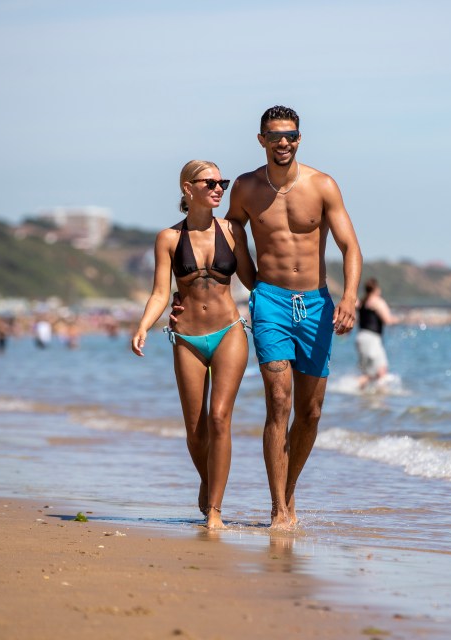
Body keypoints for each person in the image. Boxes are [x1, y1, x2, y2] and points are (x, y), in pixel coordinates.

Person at [172, 105, 362, 530]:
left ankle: (288, 489)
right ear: (261, 140)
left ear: (299, 138)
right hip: (270, 300)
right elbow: (218, 240)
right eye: (275, 135)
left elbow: (351, 247)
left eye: (291, 135)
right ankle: (278, 509)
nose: (283, 142)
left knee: (310, 413)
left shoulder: (323, 185)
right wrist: (188, 291)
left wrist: (349, 297)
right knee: (279, 401)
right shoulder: (244, 188)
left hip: (316, 303)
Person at [131, 159, 256, 530]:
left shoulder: (233, 230)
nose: (219, 188)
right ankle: (208, 481)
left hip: (229, 331)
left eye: (223, 182)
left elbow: (251, 279)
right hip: (186, 338)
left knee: (219, 417)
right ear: (188, 188)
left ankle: (214, 510)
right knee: (195, 427)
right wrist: (143, 326)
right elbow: (159, 292)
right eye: (210, 182)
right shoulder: (168, 238)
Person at [355, 278, 395, 389]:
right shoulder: (377, 301)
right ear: (376, 289)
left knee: (369, 373)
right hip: (372, 339)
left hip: (360, 338)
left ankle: (359, 395)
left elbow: (355, 320)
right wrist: (400, 319)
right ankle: (382, 400)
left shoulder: (361, 302)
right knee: (381, 370)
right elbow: (388, 320)